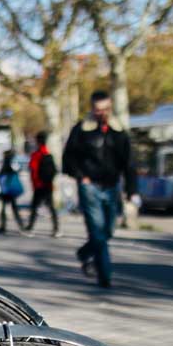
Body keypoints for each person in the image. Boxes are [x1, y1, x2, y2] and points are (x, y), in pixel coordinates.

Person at [62, 91, 138, 289]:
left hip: (112, 186)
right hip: (90, 187)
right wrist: (82, 177)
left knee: (108, 230)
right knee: (97, 232)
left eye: (105, 109)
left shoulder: (119, 131)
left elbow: (129, 162)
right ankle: (105, 276)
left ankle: (85, 253)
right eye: (98, 110)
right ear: (92, 109)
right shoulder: (81, 129)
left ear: (110, 107)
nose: (102, 113)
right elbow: (68, 158)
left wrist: (132, 190)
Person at [27, 131, 60, 236]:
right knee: (51, 207)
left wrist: (36, 183)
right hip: (48, 185)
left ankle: (30, 228)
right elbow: (54, 170)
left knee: (34, 207)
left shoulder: (36, 155)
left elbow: (33, 170)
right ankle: (56, 229)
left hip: (39, 185)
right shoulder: (48, 154)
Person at [0, 149, 27, 233]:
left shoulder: (7, 163)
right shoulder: (12, 162)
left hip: (7, 189)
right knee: (13, 208)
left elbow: (2, 174)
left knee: (6, 208)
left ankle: (3, 226)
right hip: (9, 189)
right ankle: (20, 225)